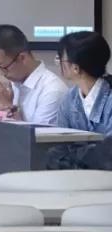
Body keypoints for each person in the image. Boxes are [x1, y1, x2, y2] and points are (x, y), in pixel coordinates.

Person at [48, 32, 112, 169]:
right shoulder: (69, 99)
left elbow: (108, 153)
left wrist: (76, 155)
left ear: (75, 68)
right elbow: (59, 146)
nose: (58, 63)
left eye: (61, 59)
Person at [0, 23, 67, 124]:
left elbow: (36, 133)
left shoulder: (52, 90)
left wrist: (7, 105)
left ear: (22, 58)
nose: (2, 74)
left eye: (3, 67)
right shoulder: (13, 85)